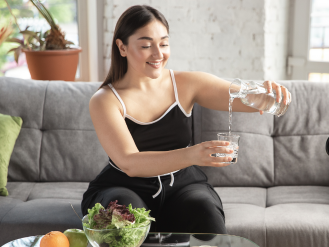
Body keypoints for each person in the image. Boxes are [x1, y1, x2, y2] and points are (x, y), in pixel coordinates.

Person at [81, 5, 291, 235]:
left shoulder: (187, 84)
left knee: (204, 210)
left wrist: (266, 95)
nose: (158, 54)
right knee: (126, 220)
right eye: (145, 45)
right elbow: (130, 163)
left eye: (163, 44)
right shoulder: (105, 100)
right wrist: (193, 155)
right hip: (123, 186)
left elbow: (241, 97)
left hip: (182, 185)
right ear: (122, 47)